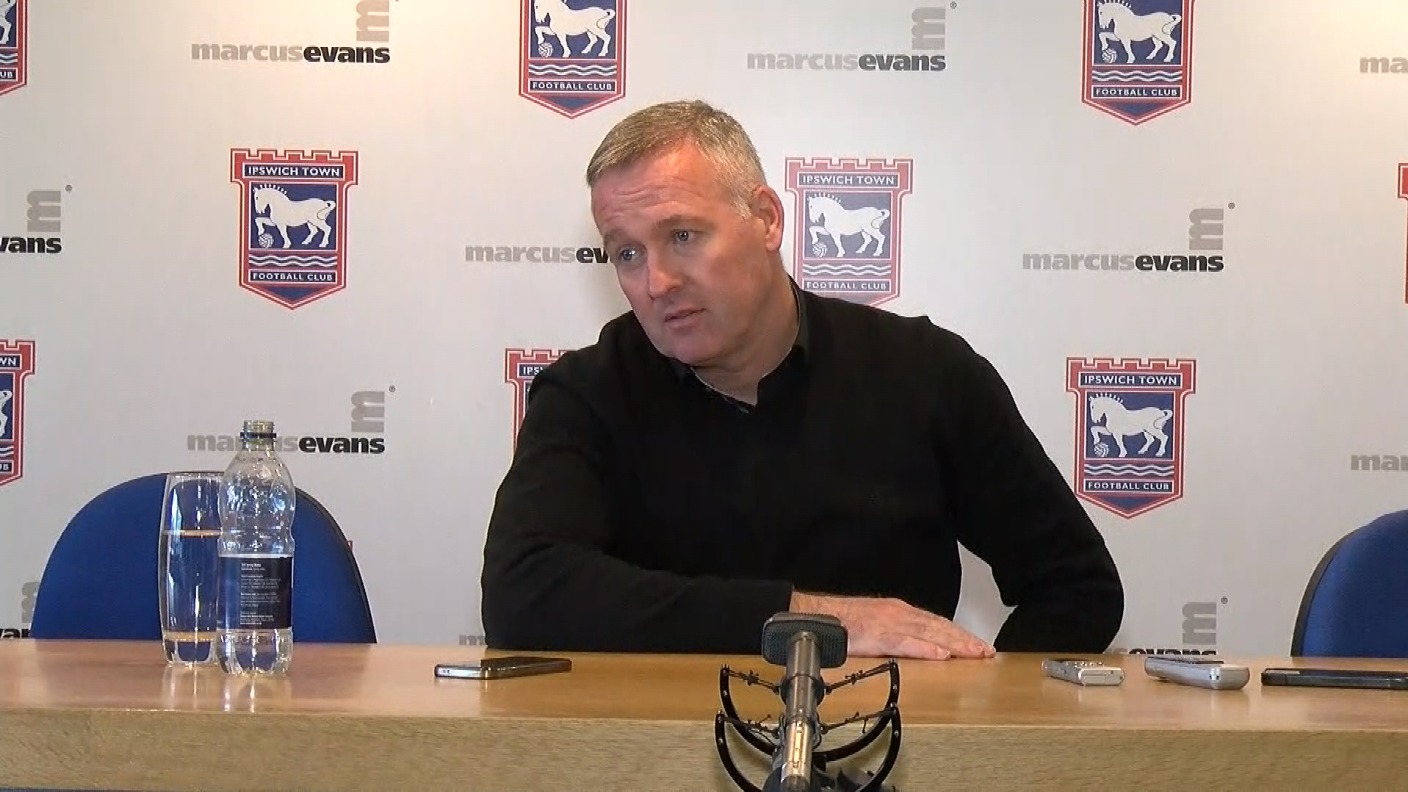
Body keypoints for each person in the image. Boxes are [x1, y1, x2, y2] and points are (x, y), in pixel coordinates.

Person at [480, 99, 1123, 660]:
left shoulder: (928, 374)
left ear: (766, 219)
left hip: (888, 743)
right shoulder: (585, 394)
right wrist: (815, 621)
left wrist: (973, 719)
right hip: (665, 748)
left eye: (682, 235)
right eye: (627, 253)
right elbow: (522, 594)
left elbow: (1078, 586)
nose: (657, 282)